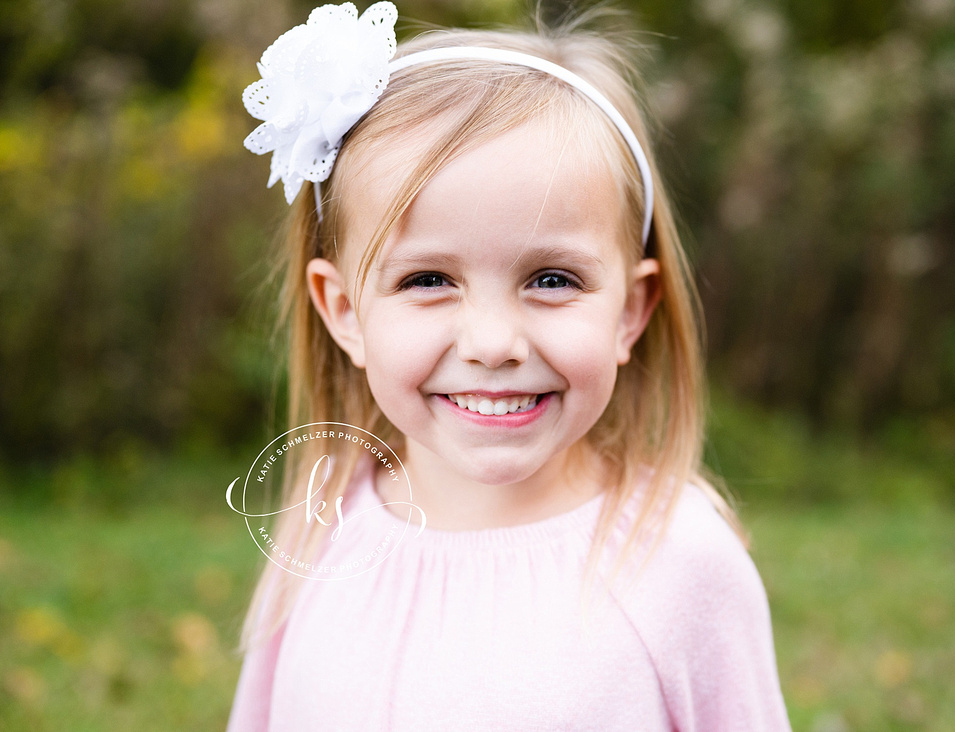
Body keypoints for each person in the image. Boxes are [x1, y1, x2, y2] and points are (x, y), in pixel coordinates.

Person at [226, 2, 791, 729]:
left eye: (552, 279)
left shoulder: (681, 562)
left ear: (630, 310)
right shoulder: (324, 525)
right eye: (428, 280)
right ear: (343, 311)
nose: (493, 343)